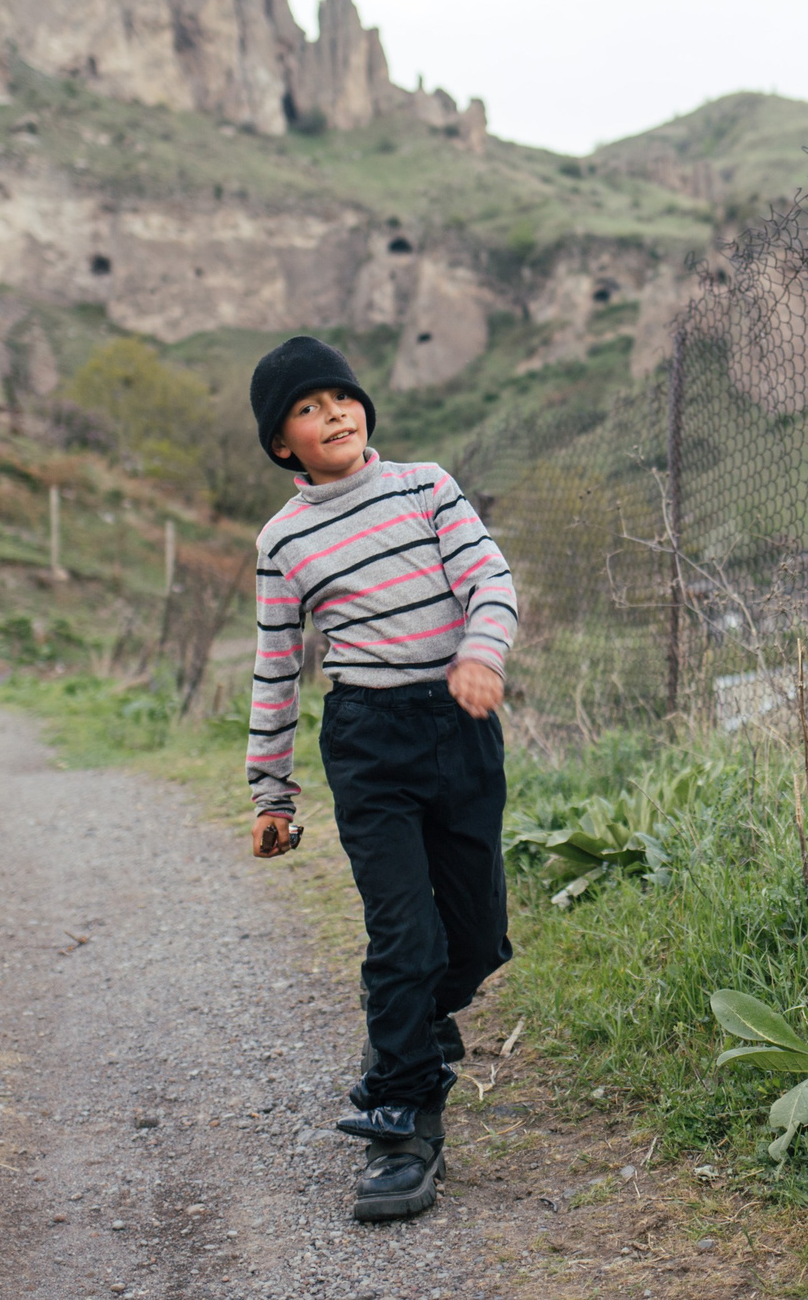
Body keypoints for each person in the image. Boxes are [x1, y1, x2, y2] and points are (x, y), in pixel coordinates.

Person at [243, 335, 519, 1221]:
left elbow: (491, 578)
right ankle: (404, 1126)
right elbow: (277, 667)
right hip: (368, 740)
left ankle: (414, 1028)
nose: (335, 414)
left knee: (474, 941)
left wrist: (481, 652)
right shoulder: (283, 539)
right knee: (404, 934)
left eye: (342, 397)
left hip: (462, 722)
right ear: (283, 443)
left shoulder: (427, 485)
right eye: (308, 408)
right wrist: (271, 793)